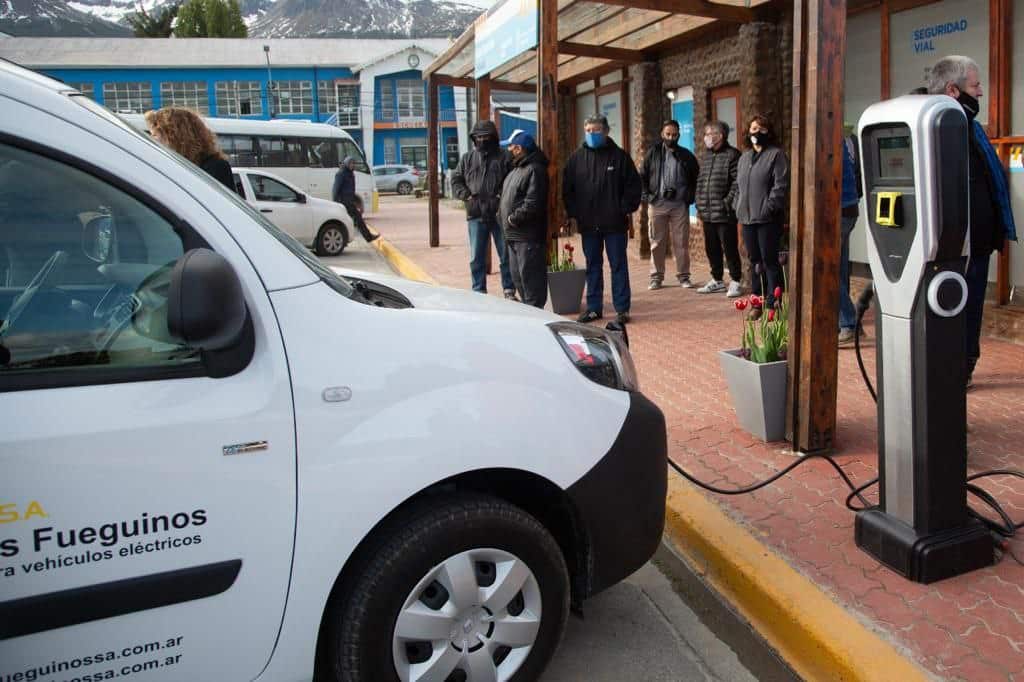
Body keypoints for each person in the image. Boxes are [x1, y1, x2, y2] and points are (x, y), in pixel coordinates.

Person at [928, 55, 1017, 387]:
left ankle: (963, 365)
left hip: (976, 245)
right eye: (976, 85)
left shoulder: (967, 126)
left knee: (970, 311)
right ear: (954, 89)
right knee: (955, 313)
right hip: (954, 247)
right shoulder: (939, 127)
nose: (980, 93)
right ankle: (955, 369)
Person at [563, 114, 643, 325]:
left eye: (596, 130)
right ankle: (593, 308)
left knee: (618, 265)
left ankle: (622, 309)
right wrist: (573, 213)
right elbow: (567, 189)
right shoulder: (576, 159)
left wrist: (623, 208)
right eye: (588, 130)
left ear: (606, 131)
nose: (591, 134)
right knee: (593, 266)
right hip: (588, 224)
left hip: (615, 224)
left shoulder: (620, 157)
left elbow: (634, 187)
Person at [451, 120, 516, 299]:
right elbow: (456, 179)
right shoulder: (467, 158)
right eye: (478, 137)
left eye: (486, 136)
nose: (482, 140)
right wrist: (466, 195)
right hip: (475, 213)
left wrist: (500, 198)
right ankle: (478, 290)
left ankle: (509, 289)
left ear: (493, 137)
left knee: (505, 254)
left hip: (499, 213)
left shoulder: (505, 157)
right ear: (474, 138)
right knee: (476, 256)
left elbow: (512, 182)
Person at [733, 114, 789, 308]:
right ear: (748, 132)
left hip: (767, 218)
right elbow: (738, 186)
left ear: (769, 132)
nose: (758, 133)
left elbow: (780, 185)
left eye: (762, 129)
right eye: (754, 129)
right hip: (747, 218)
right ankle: (757, 300)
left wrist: (769, 208)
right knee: (754, 260)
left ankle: (774, 300)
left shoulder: (776, 154)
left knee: (769, 260)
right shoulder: (744, 157)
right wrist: (736, 205)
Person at [640, 119, 699, 290]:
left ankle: (684, 277)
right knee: (657, 242)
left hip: (679, 205)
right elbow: (642, 176)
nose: (671, 138)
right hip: (657, 203)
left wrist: (689, 197)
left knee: (681, 241)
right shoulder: (653, 153)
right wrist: (647, 196)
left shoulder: (686, 155)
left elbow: (696, 178)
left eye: (674, 135)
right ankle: (656, 277)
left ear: (679, 135)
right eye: (668, 134)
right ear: (662, 134)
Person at [497, 130, 549, 308]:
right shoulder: (517, 169)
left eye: (510, 146)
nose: (508, 150)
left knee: (532, 284)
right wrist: (501, 216)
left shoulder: (535, 169)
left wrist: (512, 219)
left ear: (519, 148)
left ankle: (536, 323)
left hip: (527, 237)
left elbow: (532, 203)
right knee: (519, 280)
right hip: (513, 236)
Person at [694, 121, 743, 297]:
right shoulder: (706, 156)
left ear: (720, 135)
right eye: (706, 133)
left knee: (729, 248)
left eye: (709, 133)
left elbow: (737, 182)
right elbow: (700, 181)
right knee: (711, 248)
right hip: (707, 212)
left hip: (724, 213)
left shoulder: (733, 155)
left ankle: (736, 281)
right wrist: (698, 201)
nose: (706, 137)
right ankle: (717, 280)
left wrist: (727, 202)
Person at [144, 107, 235, 193]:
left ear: (175, 136)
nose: (152, 139)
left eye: (155, 135)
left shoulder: (215, 167)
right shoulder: (168, 166)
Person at [838, 126, 863, 346]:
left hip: (838, 211)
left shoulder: (830, 144)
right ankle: (849, 322)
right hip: (847, 209)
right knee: (840, 269)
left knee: (828, 272)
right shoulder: (845, 142)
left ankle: (848, 322)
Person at [333, 157, 378, 242]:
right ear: (346, 163)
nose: (352, 165)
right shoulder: (341, 174)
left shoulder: (351, 174)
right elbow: (335, 189)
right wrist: (336, 203)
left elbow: (351, 190)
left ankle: (367, 237)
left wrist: (355, 201)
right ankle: (367, 237)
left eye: (353, 164)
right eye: (350, 163)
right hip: (343, 202)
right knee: (355, 219)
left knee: (356, 219)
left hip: (349, 202)